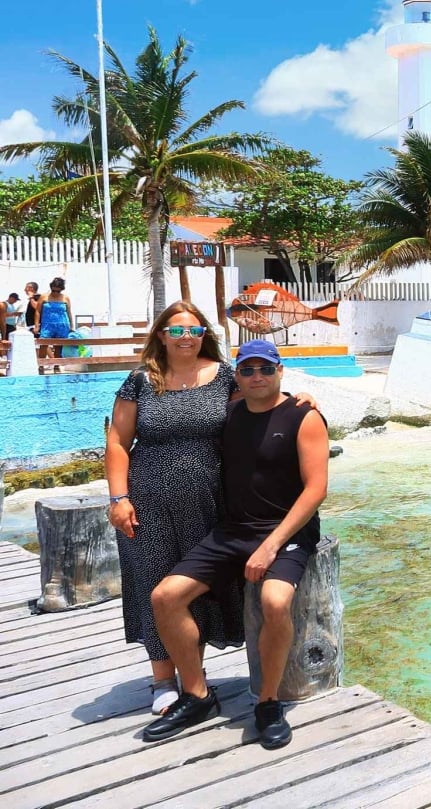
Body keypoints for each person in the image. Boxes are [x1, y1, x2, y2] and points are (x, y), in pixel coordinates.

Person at [105, 302, 317, 717]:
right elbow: (117, 441)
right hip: (146, 501)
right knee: (155, 583)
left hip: (211, 501)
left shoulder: (224, 375)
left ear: (205, 334)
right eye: (177, 330)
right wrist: (118, 498)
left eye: (195, 329)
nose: (187, 337)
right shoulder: (140, 381)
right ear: (161, 335)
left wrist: (299, 400)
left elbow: (262, 403)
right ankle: (164, 679)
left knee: (195, 590)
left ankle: (197, 680)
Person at [145, 339, 329, 748]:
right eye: (247, 370)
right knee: (165, 597)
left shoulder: (304, 416)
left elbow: (316, 490)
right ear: (238, 377)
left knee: (275, 602)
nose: (257, 377)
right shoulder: (229, 413)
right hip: (234, 531)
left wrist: (271, 545)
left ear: (280, 371)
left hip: (287, 532)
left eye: (266, 369)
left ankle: (268, 702)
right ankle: (196, 694)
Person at [37, 277, 73, 359]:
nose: (55, 293)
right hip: (47, 325)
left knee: (59, 347)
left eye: (58, 291)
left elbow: (69, 313)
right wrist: (36, 325)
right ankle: (41, 365)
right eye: (53, 291)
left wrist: (71, 326)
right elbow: (38, 311)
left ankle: (57, 365)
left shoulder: (65, 298)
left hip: (62, 325)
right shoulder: (44, 297)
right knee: (43, 344)